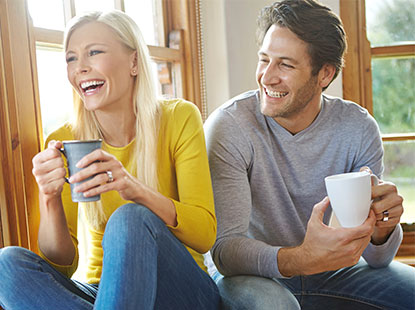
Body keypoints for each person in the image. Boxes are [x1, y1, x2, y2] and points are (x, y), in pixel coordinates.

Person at [0, 10, 220, 310]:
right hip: (103, 292)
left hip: (181, 290)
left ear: (133, 62)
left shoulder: (178, 117)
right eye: (71, 58)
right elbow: (62, 264)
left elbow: (204, 235)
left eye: (94, 52)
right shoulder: (65, 137)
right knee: (7, 266)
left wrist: (135, 190)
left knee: (129, 218)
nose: (81, 68)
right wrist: (49, 197)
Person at [204, 0, 415, 309]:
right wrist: (301, 259)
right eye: (264, 60)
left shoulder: (357, 128)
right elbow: (225, 252)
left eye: (285, 65)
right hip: (251, 275)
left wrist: (382, 231)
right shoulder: (230, 126)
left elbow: (377, 259)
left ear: (325, 74)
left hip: (332, 271)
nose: (267, 76)